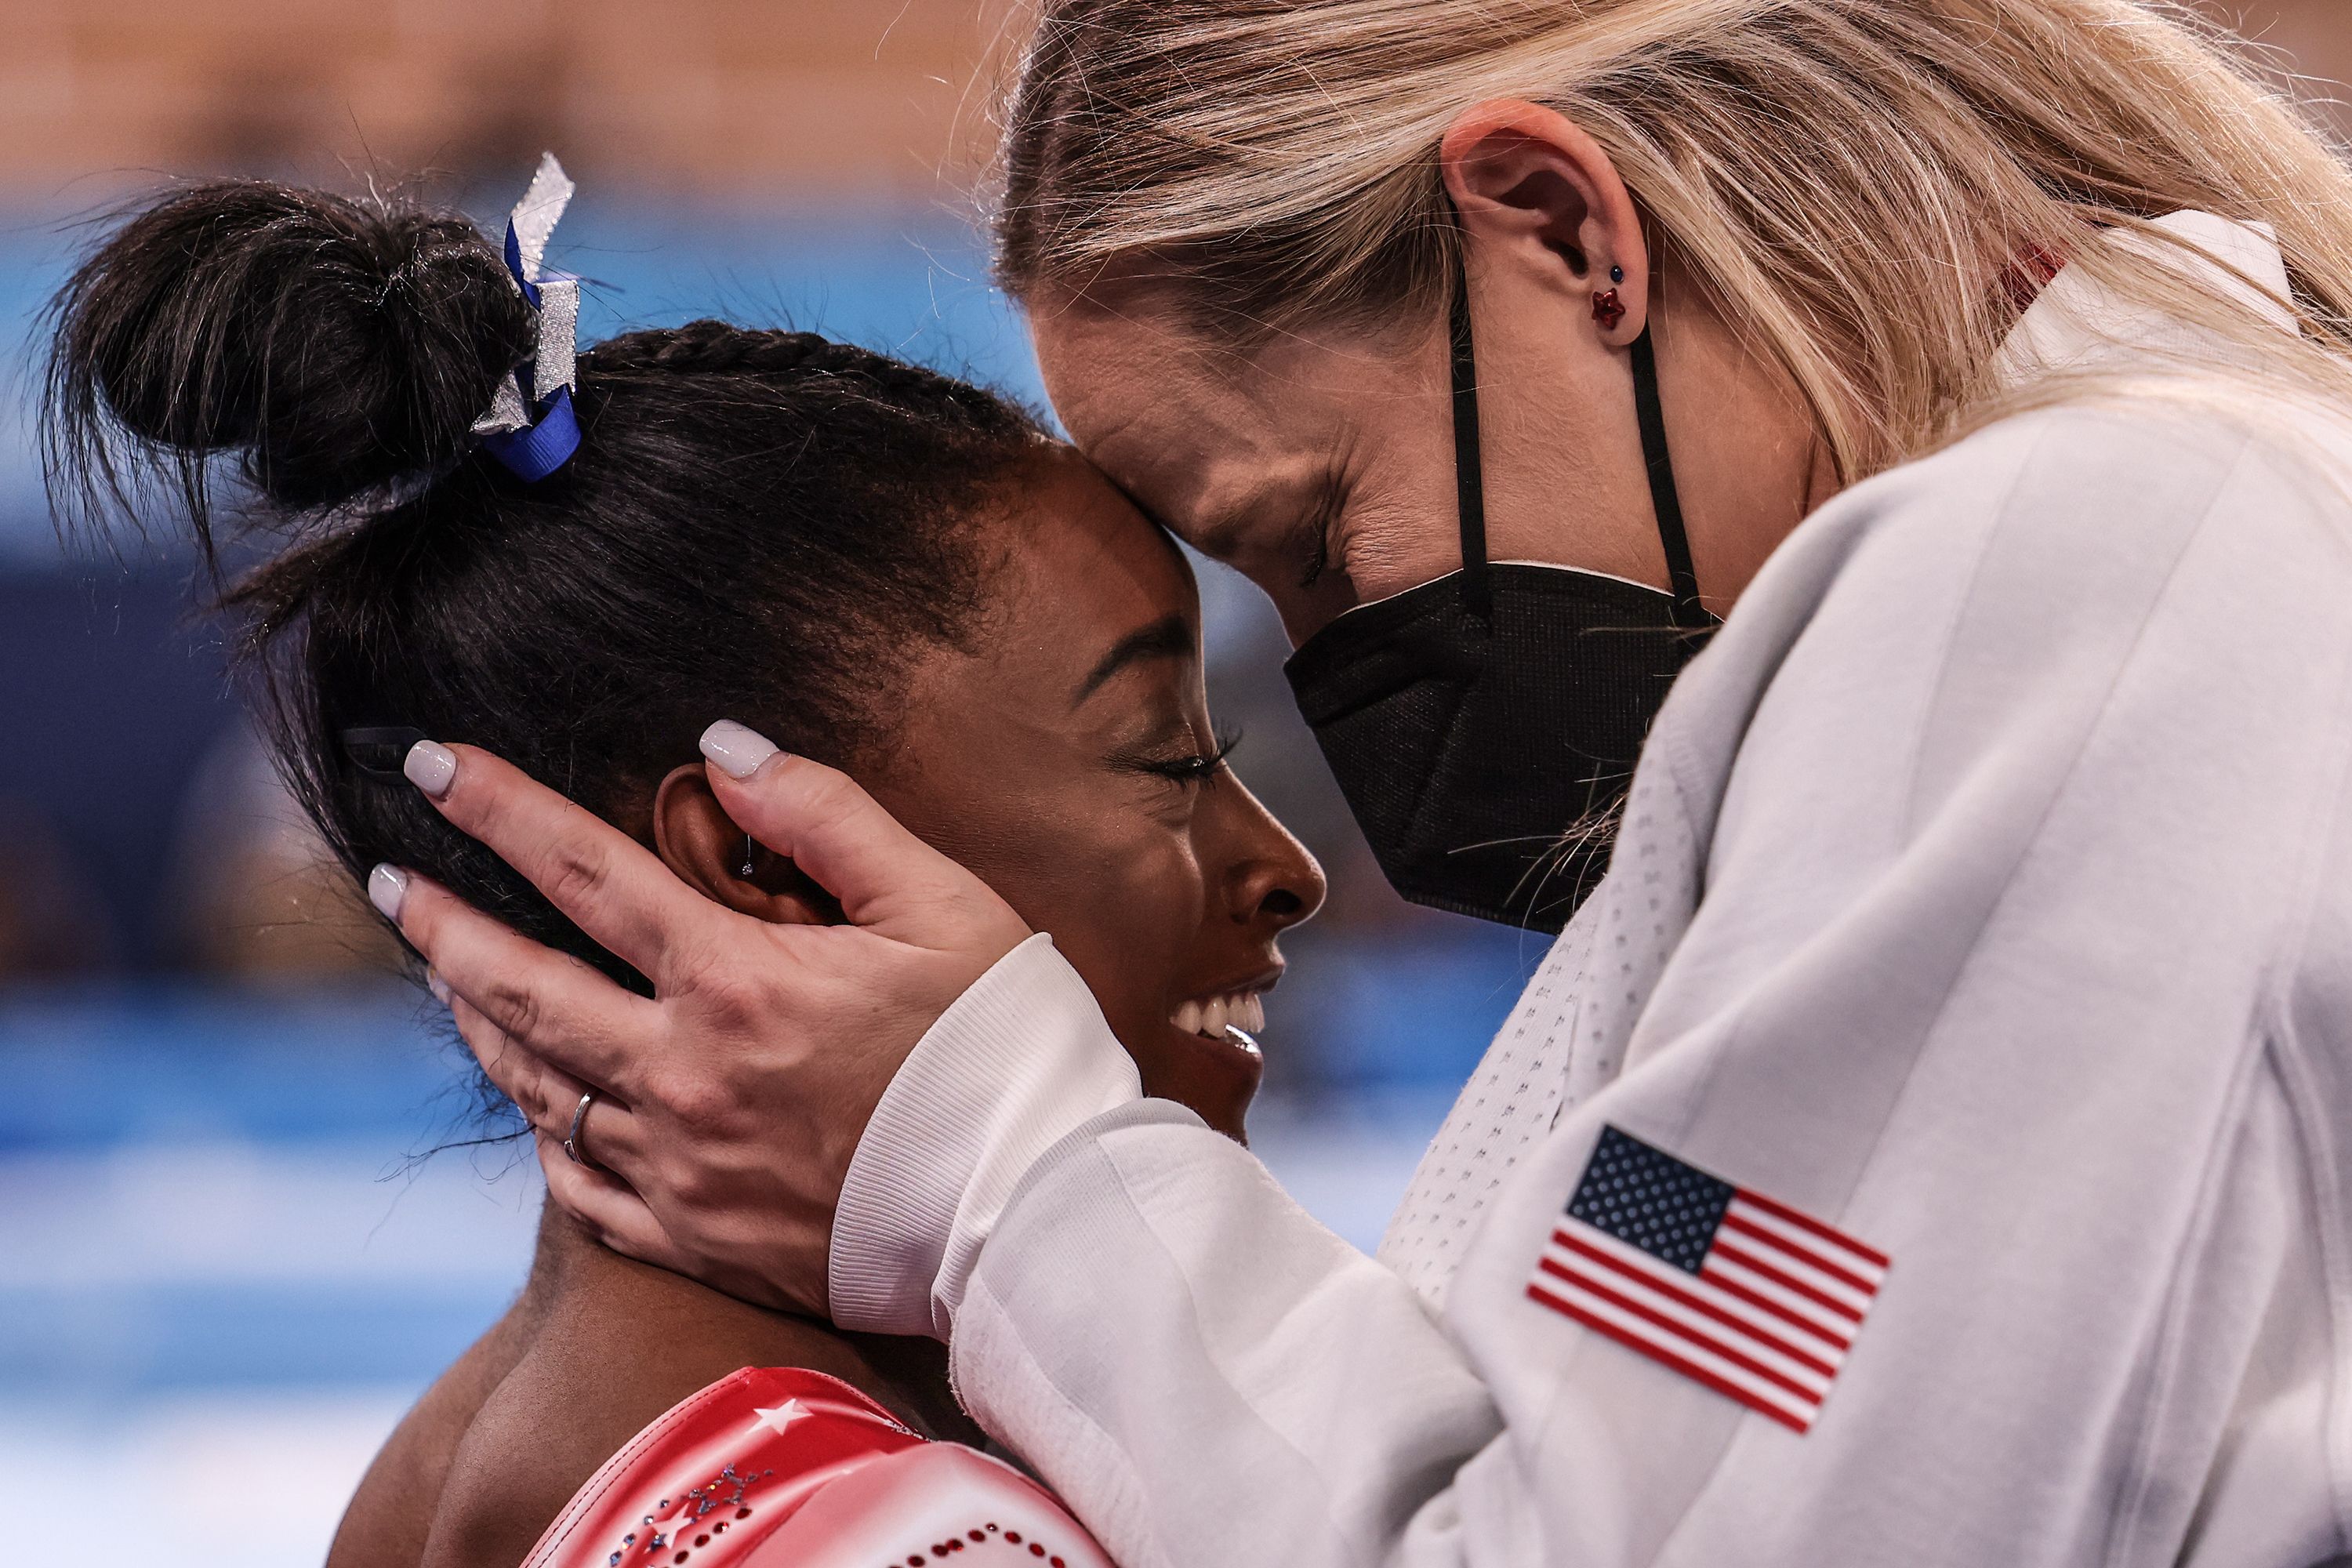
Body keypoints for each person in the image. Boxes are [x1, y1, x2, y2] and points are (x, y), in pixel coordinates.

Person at [355, 1, 2352, 1562]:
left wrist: (989, 1159)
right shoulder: (2096, 576)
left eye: (1315, 530)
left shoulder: (2076, 559)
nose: (1309, 828)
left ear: (1569, 236)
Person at [45, 170, 1322, 1566]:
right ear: (762, 859)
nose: (1285, 864)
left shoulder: (456, 1458)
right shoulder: (908, 1537)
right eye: (1165, 761)